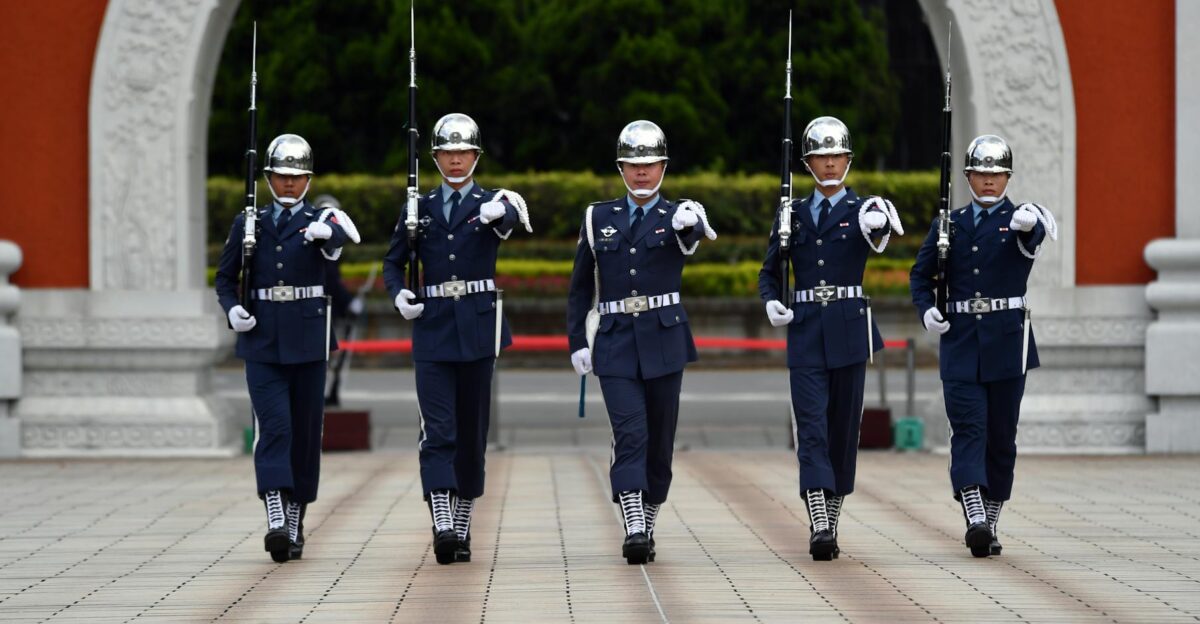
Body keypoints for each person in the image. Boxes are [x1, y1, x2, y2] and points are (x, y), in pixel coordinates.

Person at [382, 113, 530, 565]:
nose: (456, 159)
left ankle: (462, 515)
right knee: (437, 428)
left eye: (464, 152)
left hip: (477, 326)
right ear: (435, 157)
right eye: (448, 152)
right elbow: (393, 262)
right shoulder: (418, 208)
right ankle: (443, 517)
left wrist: (499, 213)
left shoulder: (492, 201)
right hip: (433, 327)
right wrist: (399, 293)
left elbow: (513, 221)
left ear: (476, 156)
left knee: (471, 431)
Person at [566, 120, 716, 564]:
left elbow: (692, 240)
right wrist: (577, 339)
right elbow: (579, 285)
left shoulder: (680, 215)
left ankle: (648, 517)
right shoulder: (598, 217)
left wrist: (692, 225)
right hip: (614, 342)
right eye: (633, 165)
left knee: (660, 440)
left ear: (664, 167)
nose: (641, 173)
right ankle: (633, 522)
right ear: (621, 168)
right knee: (629, 432)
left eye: (649, 165)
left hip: (664, 339)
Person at [757, 116, 902, 561]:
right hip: (805, 329)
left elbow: (879, 237)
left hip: (848, 325)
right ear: (807, 163)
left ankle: (831, 511)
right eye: (820, 156)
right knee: (812, 427)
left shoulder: (864, 209)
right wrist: (771, 301)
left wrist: (877, 222)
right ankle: (819, 517)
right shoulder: (791, 214)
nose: (829, 163)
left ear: (848, 160)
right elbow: (769, 272)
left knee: (843, 428)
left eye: (836, 155)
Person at [909, 134, 1057, 557]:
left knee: (1001, 436)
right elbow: (921, 277)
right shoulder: (948, 224)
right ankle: (974, 513)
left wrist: (1032, 231)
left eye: (996, 174)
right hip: (960, 340)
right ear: (968, 176)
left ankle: (990, 517)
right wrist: (926, 310)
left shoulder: (1023, 219)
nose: (989, 181)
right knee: (968, 428)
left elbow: (1033, 242)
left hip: (1007, 340)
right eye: (981, 173)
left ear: (1007, 177)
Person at [215, 133, 360, 562]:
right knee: (274, 427)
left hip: (309, 339)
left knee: (304, 433)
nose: (289, 185)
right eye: (281, 177)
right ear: (268, 178)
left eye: (297, 177)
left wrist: (328, 233)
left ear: (309, 180)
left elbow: (337, 245)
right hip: (261, 339)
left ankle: (296, 515)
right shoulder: (249, 223)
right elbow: (225, 278)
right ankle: (276, 514)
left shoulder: (321, 219)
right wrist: (231, 309)